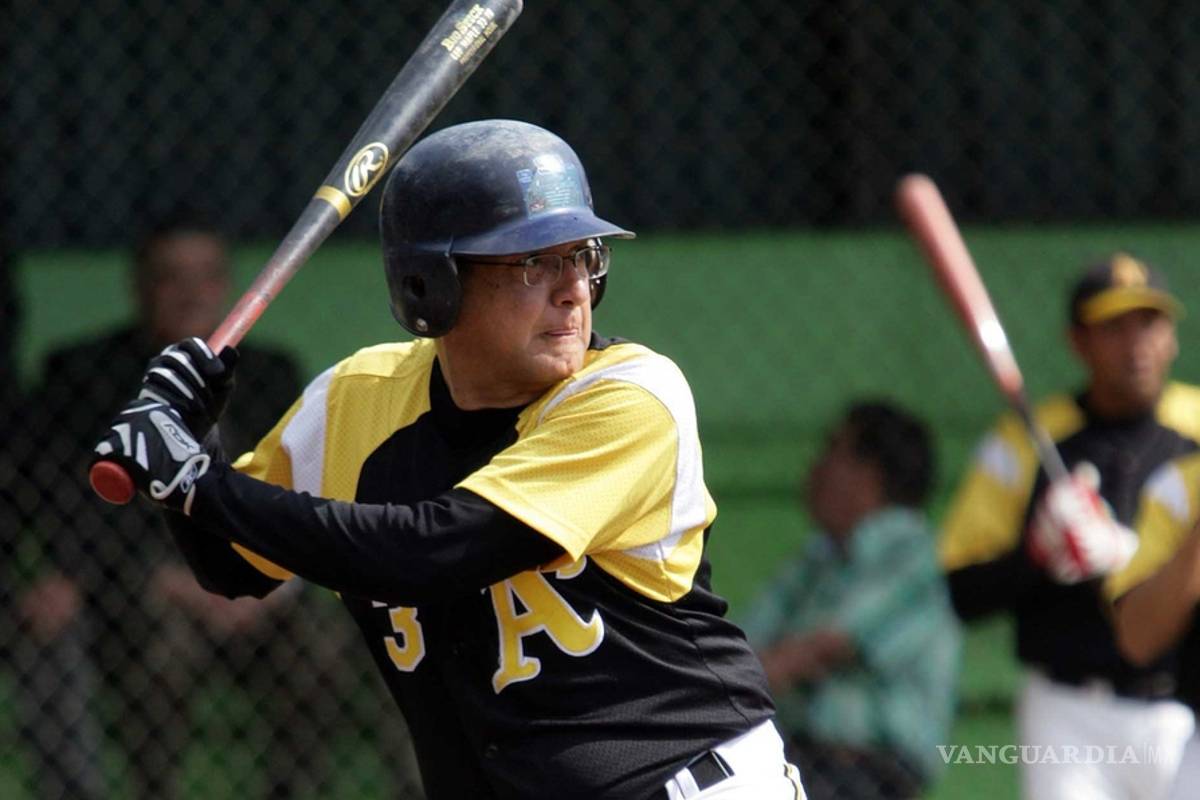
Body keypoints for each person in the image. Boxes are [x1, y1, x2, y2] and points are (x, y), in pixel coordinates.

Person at [89, 119, 807, 800]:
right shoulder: (355, 401)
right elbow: (231, 565)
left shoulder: (631, 398)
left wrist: (195, 480)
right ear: (430, 285)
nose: (573, 289)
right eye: (534, 263)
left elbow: (431, 551)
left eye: (584, 257)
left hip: (687, 781)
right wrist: (193, 440)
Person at [16, 219, 411, 799]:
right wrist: (164, 578)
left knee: (321, 650)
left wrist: (281, 583)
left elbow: (304, 490)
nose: (190, 293)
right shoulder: (85, 371)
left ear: (227, 286)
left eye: (205, 277)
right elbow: (69, 501)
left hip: (265, 588)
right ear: (140, 286)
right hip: (144, 590)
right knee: (163, 654)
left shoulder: (269, 371)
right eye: (170, 278)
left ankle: (293, 791)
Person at [939, 253, 1200, 800]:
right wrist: (1037, 557)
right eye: (1114, 327)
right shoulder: (1026, 439)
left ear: (1173, 337)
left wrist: (1137, 562)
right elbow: (958, 590)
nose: (1136, 345)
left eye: (1149, 323)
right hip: (1069, 713)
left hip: (1181, 706)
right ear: (1078, 342)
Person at [740, 401, 960, 799]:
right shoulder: (818, 558)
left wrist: (719, 696)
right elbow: (746, 644)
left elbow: (827, 644)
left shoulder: (910, 552)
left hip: (870, 769)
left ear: (870, 474)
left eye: (832, 450)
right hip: (804, 758)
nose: (814, 466)